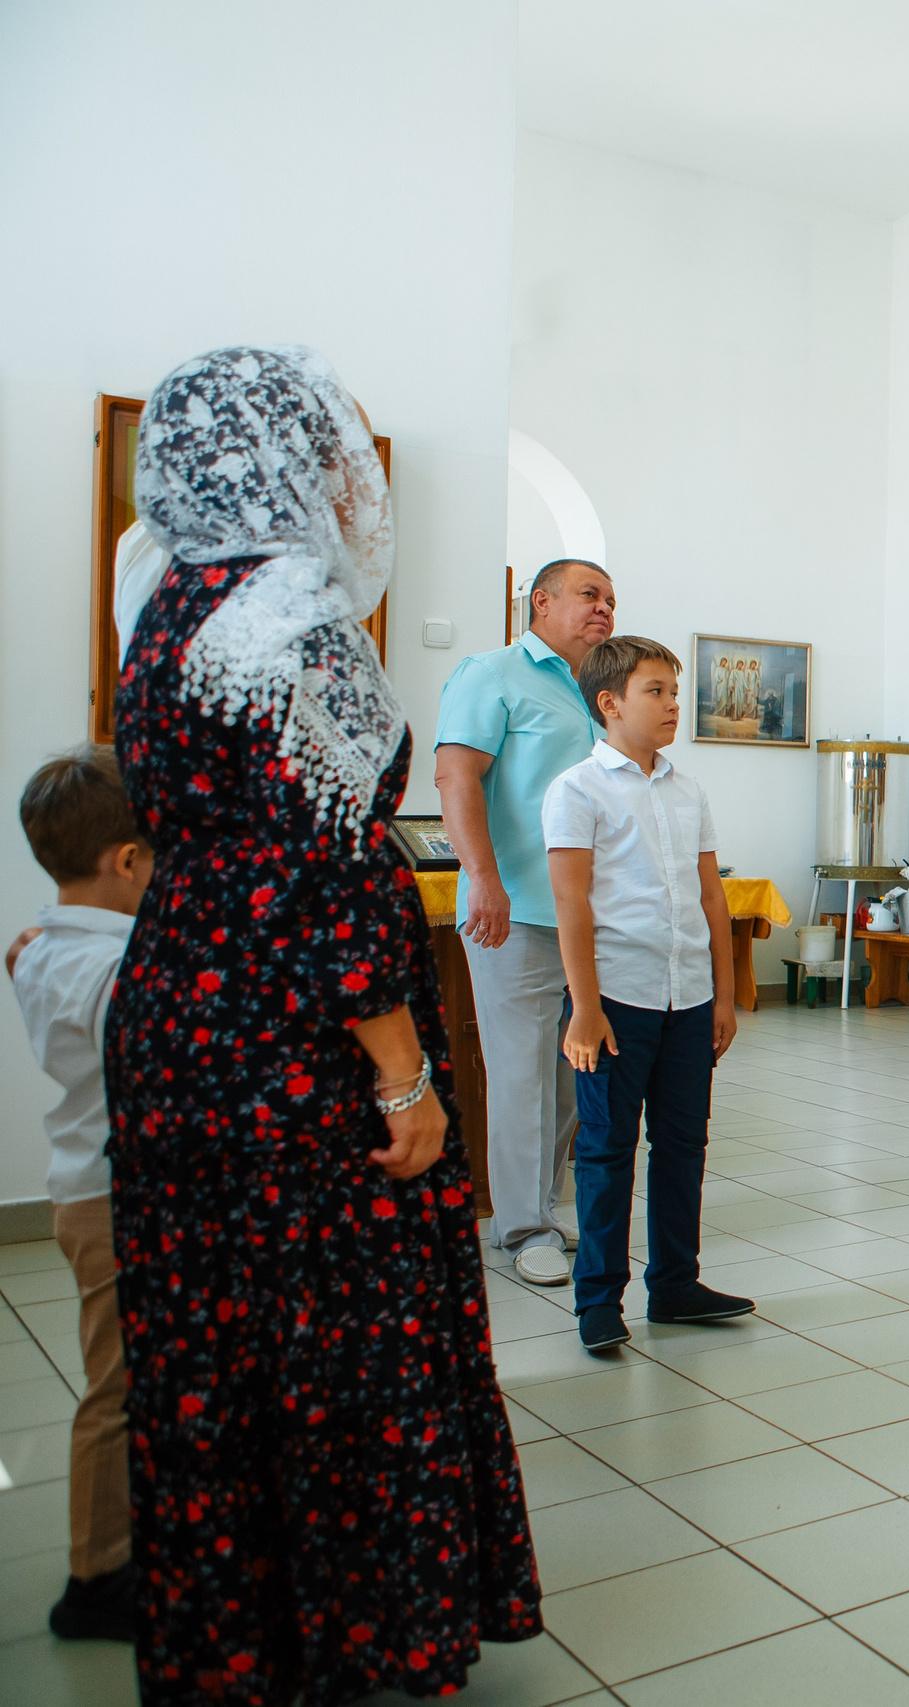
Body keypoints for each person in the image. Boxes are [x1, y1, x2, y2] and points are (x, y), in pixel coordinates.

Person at [107, 344, 538, 1703]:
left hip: (179, 1003)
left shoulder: (161, 601)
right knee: (339, 1335)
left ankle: (237, 1629)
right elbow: (329, 868)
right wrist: (406, 1078)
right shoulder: (295, 616)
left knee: (209, 1335)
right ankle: (361, 1626)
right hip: (295, 1036)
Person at [544, 635, 751, 1353]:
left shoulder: (687, 788)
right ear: (611, 702)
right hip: (616, 1000)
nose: (672, 704)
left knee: (683, 1145)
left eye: (674, 689)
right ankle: (598, 1300)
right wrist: (586, 1005)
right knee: (605, 1151)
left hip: (687, 998)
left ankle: (676, 1283)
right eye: (656, 691)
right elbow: (572, 905)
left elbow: (712, 899)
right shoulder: (577, 789)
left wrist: (724, 998)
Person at [434, 555, 616, 1286]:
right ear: (540, 602)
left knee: (574, 1075)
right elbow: (455, 775)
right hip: (515, 911)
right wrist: (483, 879)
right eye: (588, 594)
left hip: (588, 918)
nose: (604, 607)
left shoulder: (597, 690)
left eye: (610, 597)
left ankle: (543, 1204)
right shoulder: (493, 673)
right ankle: (520, 1228)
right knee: (520, 1074)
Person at [9, 746, 151, 1643]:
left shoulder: (42, 943)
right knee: (117, 1384)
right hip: (112, 1194)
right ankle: (96, 1575)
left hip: (86, 1187)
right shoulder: (114, 968)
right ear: (127, 861)